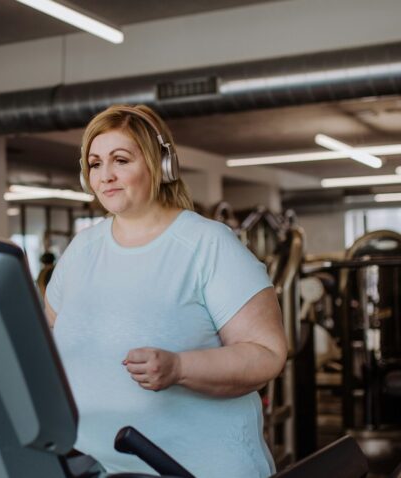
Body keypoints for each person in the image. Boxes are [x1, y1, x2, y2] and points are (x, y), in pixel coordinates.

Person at [44, 104, 287, 478]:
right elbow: (46, 349)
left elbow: (266, 355)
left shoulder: (207, 244)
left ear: (161, 165)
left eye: (120, 160)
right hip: (99, 467)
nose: (105, 175)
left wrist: (180, 367)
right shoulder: (81, 251)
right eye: (95, 164)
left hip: (196, 469)